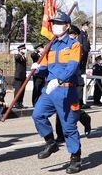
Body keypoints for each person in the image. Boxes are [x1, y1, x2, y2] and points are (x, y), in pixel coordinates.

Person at [31, 11, 82, 174]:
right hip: (50, 90)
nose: (55, 26)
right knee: (37, 115)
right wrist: (35, 69)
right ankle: (50, 142)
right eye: (54, 23)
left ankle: (75, 158)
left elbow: (72, 67)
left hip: (66, 89)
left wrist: (59, 79)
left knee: (68, 128)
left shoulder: (74, 45)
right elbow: (45, 68)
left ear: (67, 26)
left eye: (59, 24)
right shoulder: (50, 46)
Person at [13, 44, 27, 109]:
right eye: (23, 49)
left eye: (24, 49)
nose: (24, 50)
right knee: (18, 90)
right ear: (19, 49)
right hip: (18, 76)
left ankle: (20, 103)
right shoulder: (17, 55)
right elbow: (17, 58)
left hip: (23, 76)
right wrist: (19, 53)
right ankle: (16, 103)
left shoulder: (24, 56)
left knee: (22, 90)